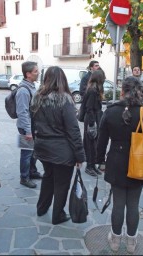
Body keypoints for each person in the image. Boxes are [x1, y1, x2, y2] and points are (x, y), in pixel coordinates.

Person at [96, 76, 143, 253]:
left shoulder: (110, 111)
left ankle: (116, 241)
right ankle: (132, 243)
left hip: (116, 162)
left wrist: (100, 161)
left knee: (118, 204)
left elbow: (101, 142)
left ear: (122, 91)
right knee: (133, 204)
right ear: (140, 91)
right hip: (139, 164)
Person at [30, 66, 85, 225]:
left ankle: (42, 208)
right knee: (61, 183)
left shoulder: (37, 98)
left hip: (43, 147)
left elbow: (34, 124)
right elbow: (73, 129)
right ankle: (58, 214)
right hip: (61, 150)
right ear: (62, 79)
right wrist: (80, 155)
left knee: (48, 177)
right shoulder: (64, 99)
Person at [17, 61, 43, 189]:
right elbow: (22, 112)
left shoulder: (32, 86)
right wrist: (28, 131)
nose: (38, 73)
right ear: (28, 74)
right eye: (35, 71)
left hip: (33, 124)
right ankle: (24, 177)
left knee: (33, 151)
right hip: (26, 126)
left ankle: (32, 172)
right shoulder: (23, 90)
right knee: (26, 153)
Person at [82, 69, 105, 176]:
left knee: (94, 143)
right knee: (90, 144)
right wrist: (92, 124)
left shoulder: (94, 89)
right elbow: (89, 108)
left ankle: (92, 166)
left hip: (94, 118)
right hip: (92, 119)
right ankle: (89, 166)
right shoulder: (92, 91)